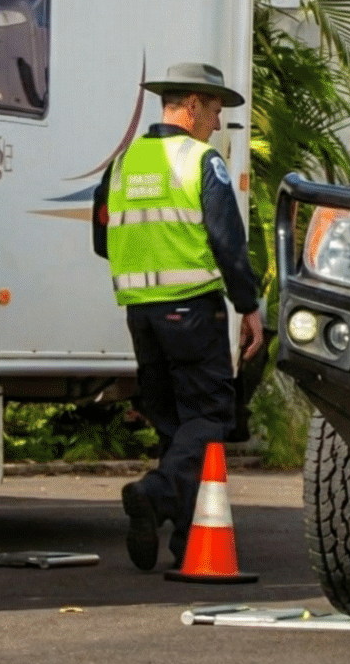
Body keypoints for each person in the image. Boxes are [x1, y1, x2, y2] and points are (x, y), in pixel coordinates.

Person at [92, 62, 264, 571]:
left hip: (141, 315)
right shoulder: (201, 161)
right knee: (211, 416)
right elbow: (228, 243)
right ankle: (157, 493)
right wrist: (248, 307)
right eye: (214, 111)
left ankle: (185, 541)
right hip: (191, 309)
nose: (217, 122)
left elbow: (103, 240)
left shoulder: (122, 163)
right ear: (191, 106)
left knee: (174, 425)